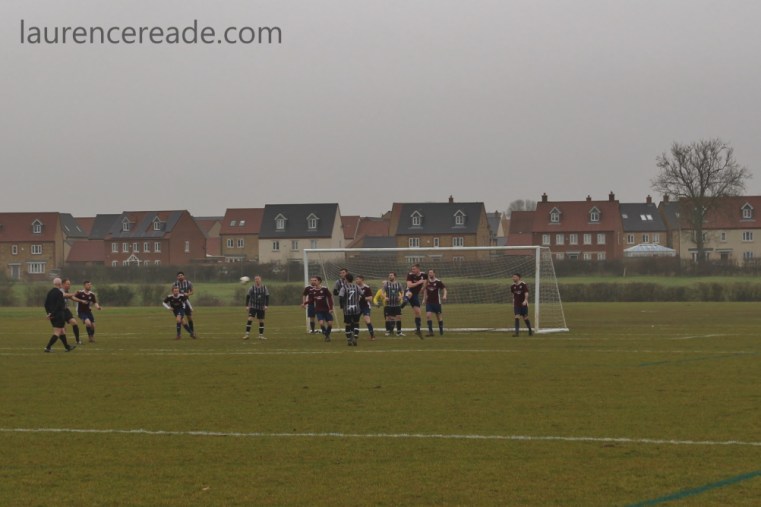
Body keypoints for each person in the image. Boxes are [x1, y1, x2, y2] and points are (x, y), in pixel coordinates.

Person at [43, 277, 76, 352]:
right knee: (57, 332)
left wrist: (49, 313)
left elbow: (46, 304)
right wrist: (52, 314)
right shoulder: (59, 293)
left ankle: (67, 347)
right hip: (59, 315)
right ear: (60, 284)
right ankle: (47, 347)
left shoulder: (50, 292)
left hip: (52, 316)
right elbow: (59, 306)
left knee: (62, 331)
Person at [339, 273, 362, 346]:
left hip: (347, 309)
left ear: (346, 279)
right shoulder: (357, 286)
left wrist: (342, 306)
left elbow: (341, 297)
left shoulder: (344, 287)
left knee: (348, 324)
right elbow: (362, 295)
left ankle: (349, 340)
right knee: (356, 323)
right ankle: (355, 336)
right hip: (356, 308)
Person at [243, 275, 269, 340]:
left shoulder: (264, 288)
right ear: (254, 281)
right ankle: (247, 335)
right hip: (253, 306)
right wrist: (247, 306)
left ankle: (261, 336)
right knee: (250, 319)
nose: (257, 280)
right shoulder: (252, 288)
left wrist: (266, 305)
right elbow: (248, 296)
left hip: (261, 307)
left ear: (260, 280)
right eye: (256, 279)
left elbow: (267, 297)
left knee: (261, 320)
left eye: (258, 279)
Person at [422, 269, 447, 336]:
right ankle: (431, 332)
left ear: (434, 273)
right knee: (428, 315)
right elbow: (425, 290)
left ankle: (441, 330)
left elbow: (444, 289)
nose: (430, 274)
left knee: (438, 316)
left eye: (431, 273)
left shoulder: (438, 282)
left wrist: (444, 295)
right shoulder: (427, 282)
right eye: (429, 273)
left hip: (436, 302)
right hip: (429, 302)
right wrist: (424, 299)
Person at [405, 263, 426, 338]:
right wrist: (419, 282)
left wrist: (423, 288)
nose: (412, 270)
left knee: (418, 312)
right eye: (412, 269)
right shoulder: (410, 275)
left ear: (418, 269)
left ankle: (418, 330)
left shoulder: (423, 274)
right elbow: (409, 285)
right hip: (409, 292)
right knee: (409, 295)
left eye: (414, 269)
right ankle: (404, 301)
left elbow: (426, 282)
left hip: (415, 295)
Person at [60, 278, 84, 345]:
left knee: (74, 322)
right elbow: (64, 295)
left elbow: (72, 298)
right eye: (67, 284)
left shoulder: (67, 291)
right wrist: (75, 293)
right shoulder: (60, 290)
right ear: (63, 284)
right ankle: (64, 343)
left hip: (65, 310)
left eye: (69, 284)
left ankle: (77, 340)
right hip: (59, 311)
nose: (69, 285)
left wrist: (81, 301)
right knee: (62, 328)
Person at [173, 271, 196, 337]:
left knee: (189, 317)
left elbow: (192, 292)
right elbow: (173, 292)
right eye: (179, 276)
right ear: (177, 277)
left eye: (181, 275)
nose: (180, 277)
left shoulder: (188, 283)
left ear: (184, 276)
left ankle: (192, 332)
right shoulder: (175, 284)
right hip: (179, 304)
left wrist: (187, 294)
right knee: (180, 319)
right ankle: (179, 334)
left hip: (186, 301)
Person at [311, 276, 334, 342]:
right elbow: (312, 300)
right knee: (321, 323)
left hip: (326, 309)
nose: (313, 282)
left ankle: (327, 335)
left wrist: (331, 308)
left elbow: (329, 298)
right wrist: (305, 303)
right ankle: (327, 335)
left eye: (315, 280)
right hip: (318, 310)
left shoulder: (324, 289)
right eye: (313, 280)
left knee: (330, 324)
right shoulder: (313, 290)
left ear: (319, 281)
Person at [383, 272, 406, 336]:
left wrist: (400, 297)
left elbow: (402, 291)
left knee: (399, 317)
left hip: (397, 304)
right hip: (388, 304)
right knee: (388, 318)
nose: (390, 276)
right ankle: (388, 331)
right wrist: (385, 297)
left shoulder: (398, 284)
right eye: (389, 275)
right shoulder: (386, 284)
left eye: (391, 275)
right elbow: (382, 292)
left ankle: (399, 332)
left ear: (394, 276)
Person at [510, 273, 533, 337]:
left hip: (523, 304)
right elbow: (513, 294)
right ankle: (516, 333)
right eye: (513, 277)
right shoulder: (512, 286)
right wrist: (513, 300)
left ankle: (530, 331)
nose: (513, 278)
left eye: (515, 277)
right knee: (517, 316)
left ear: (519, 278)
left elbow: (526, 293)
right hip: (516, 304)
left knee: (525, 317)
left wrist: (525, 300)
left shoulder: (523, 284)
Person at [355, 275, 376, 340]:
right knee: (355, 320)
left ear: (362, 279)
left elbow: (370, 298)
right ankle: (356, 334)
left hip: (365, 306)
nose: (356, 280)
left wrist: (362, 298)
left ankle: (372, 335)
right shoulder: (354, 287)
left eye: (357, 279)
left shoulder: (367, 288)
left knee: (367, 320)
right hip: (357, 306)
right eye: (356, 279)